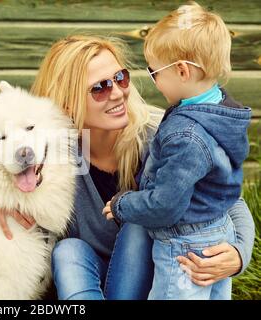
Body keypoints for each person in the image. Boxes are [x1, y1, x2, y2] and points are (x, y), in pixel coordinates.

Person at [0, 35, 255, 300]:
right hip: (84, 277)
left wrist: (239, 254)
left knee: (137, 225)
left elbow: (230, 200)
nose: (117, 94)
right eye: (99, 88)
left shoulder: (165, 133)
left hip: (158, 274)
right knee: (68, 249)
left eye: (120, 78)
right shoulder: (54, 148)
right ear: (68, 102)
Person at [103, 2, 252, 300]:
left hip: (185, 246)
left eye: (154, 72)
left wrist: (123, 204)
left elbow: (165, 206)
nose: (153, 80)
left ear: (182, 71)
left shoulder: (187, 135)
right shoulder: (221, 113)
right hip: (218, 232)